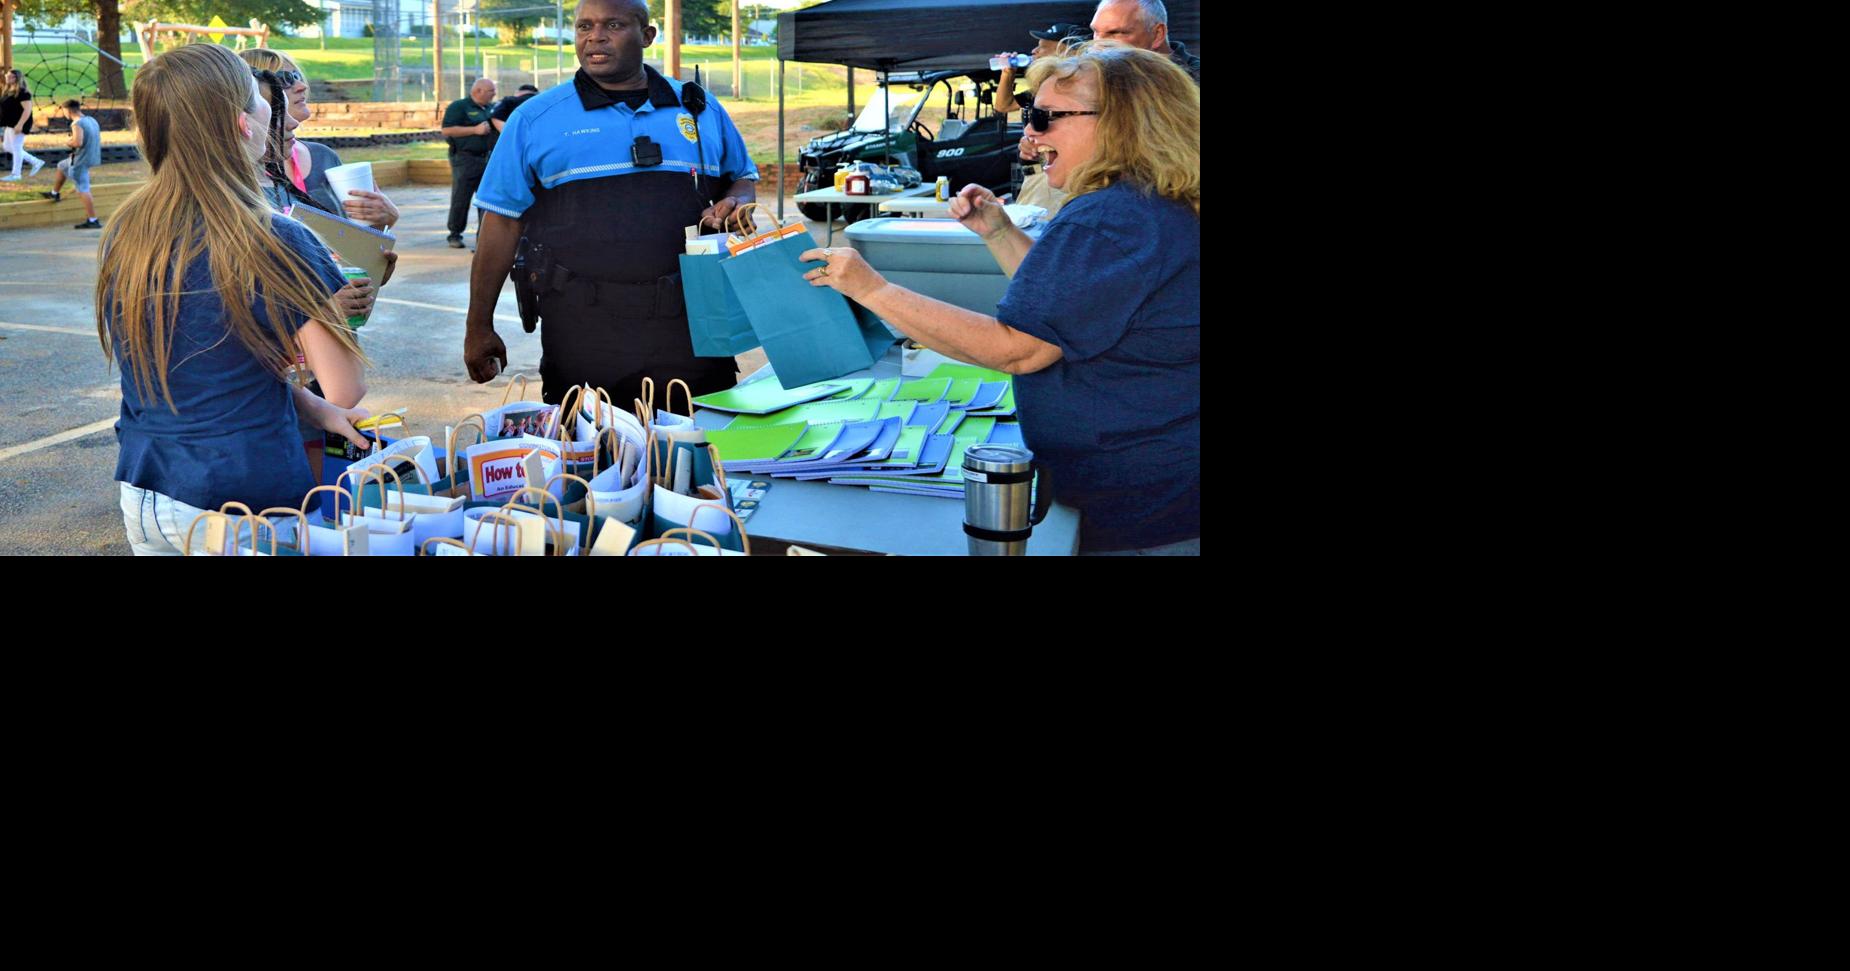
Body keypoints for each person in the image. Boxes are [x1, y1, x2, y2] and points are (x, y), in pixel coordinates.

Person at [800, 46, 1200, 554]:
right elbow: (1068, 307)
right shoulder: (1151, 204)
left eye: (1045, 118)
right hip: (1162, 486)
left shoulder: (1110, 219)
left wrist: (872, 289)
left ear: (1121, 123)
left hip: (1141, 505)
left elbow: (1020, 347)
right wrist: (999, 232)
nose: (1029, 133)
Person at [98, 43, 372, 555]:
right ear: (242, 122)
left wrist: (310, 407)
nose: (271, 106)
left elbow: (205, 369)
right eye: (255, 95)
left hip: (148, 492)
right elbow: (347, 385)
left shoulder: (128, 230)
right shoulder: (278, 238)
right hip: (246, 505)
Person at [463, 0, 759, 408]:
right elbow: (500, 225)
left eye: (613, 25)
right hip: (583, 328)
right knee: (591, 459)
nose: (595, 36)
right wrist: (478, 324)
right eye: (584, 26)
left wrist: (737, 202)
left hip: (694, 322)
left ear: (648, 36)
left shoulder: (699, 107)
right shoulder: (535, 119)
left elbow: (741, 178)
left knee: (698, 452)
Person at [237, 49, 399, 230]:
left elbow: (353, 241)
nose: (301, 86)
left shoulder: (323, 157)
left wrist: (384, 222)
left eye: (297, 75)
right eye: (285, 79)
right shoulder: (238, 178)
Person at [441, 77, 498, 248]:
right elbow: (447, 130)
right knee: (461, 198)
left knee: (486, 200)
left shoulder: (489, 108)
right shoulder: (459, 107)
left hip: (486, 159)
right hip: (465, 159)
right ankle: (455, 234)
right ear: (478, 91)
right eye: (491, 91)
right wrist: (475, 130)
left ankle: (483, 237)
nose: (494, 94)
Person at [1090, 0, 1200, 84]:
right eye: (1095, 32)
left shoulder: (1195, 80)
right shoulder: (1091, 76)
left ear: (1158, 34)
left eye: (1116, 33)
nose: (1097, 45)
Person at [992, 23, 1089, 115]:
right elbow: (1004, 106)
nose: (1034, 51)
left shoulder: (1084, 86)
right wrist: (1007, 73)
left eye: (1043, 47)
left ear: (1070, 52)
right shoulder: (1048, 85)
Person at [40, 99, 103, 227]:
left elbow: (77, 142)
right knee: (62, 166)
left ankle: (93, 220)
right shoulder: (91, 120)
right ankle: (54, 193)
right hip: (91, 156)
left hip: (80, 161)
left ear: (68, 110)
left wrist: (68, 142)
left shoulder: (76, 123)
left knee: (83, 189)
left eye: (63, 111)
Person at [2, 68, 46, 181]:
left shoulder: (23, 93)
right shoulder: (8, 90)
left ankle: (16, 174)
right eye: (7, 75)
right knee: (7, 146)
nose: (6, 77)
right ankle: (36, 161)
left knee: (17, 148)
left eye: (9, 76)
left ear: (16, 78)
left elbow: (27, 110)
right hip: (9, 123)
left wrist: (20, 125)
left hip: (18, 124)